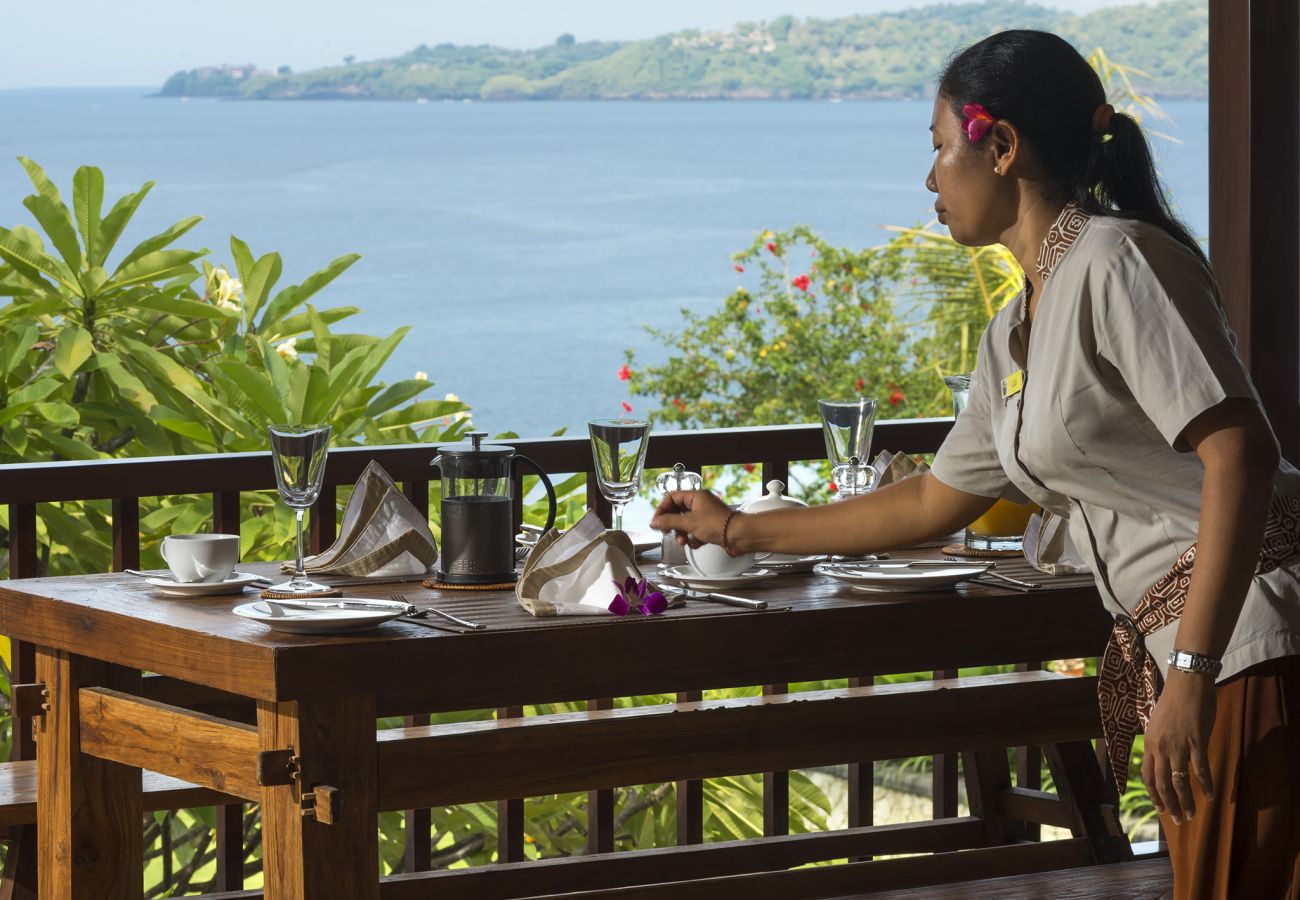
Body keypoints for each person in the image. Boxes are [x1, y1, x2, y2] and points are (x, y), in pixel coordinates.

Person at [651, 30, 1300, 900]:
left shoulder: (1118, 261)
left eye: (939, 149)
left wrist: (1192, 669)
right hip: (1197, 647)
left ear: (1000, 147)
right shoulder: (1017, 331)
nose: (929, 180)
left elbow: (1242, 452)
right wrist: (739, 530)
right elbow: (931, 498)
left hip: (1247, 640)